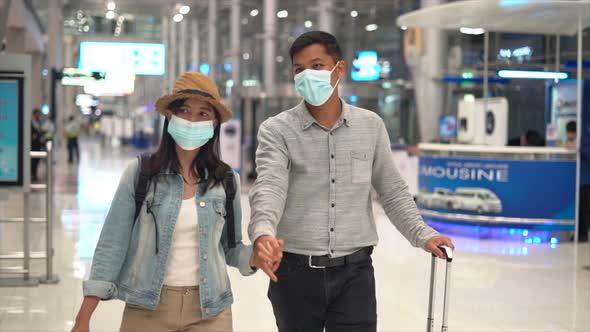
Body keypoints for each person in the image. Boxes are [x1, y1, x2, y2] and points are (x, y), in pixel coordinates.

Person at [248, 31, 454, 332]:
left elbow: (392, 190)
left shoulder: (370, 126)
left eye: (317, 65)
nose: (308, 75)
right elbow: (269, 187)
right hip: (294, 274)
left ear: (339, 69)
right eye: (299, 69)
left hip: (354, 274)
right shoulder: (277, 130)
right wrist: (263, 233)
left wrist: (423, 234)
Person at [72, 72, 277, 332]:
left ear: (214, 123)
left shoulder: (225, 180)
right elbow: (112, 244)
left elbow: (231, 247)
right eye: (184, 111)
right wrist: (84, 317)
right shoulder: (141, 173)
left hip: (211, 309)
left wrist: (255, 257)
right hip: (147, 308)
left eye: (203, 114)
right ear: (169, 116)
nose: (192, 120)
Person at [565, 121, 589, 242]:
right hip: (575, 179)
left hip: (584, 180)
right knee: (577, 208)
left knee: (584, 209)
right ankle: (579, 233)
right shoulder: (569, 142)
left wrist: (577, 148)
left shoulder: (584, 141)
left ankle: (583, 233)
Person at [30, 108, 44, 182]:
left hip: (38, 144)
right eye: (37, 114)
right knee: (33, 160)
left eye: (39, 114)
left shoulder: (39, 122)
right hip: (32, 144)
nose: (38, 115)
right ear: (34, 114)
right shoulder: (31, 123)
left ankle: (34, 174)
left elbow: (40, 132)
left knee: (37, 160)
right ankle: (32, 174)